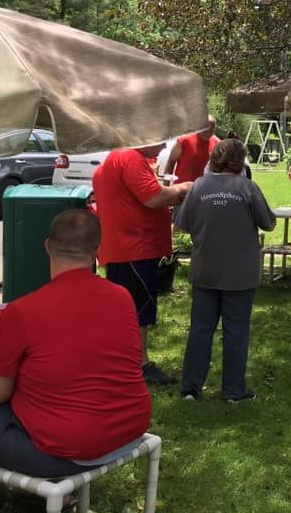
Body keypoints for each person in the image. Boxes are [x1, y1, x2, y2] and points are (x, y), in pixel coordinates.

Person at [0, 210, 150, 513]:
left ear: (47, 246)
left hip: (67, 450)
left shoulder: (22, 312)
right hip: (128, 430)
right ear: (97, 252)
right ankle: (35, 495)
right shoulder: (122, 297)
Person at [175, 139, 276, 402]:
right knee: (236, 330)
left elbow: (182, 223)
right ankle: (233, 390)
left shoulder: (198, 186)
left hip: (205, 268)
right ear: (240, 160)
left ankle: (190, 388)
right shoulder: (247, 187)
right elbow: (269, 223)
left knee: (200, 328)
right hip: (239, 273)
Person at [93, 143, 193, 384]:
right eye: (159, 142)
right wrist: (183, 188)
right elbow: (154, 197)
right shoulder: (130, 159)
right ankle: (140, 365)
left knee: (127, 307)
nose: (162, 148)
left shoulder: (119, 157)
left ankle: (122, 361)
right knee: (138, 310)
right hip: (133, 248)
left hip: (123, 247)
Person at [163, 115, 220, 183]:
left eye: (212, 130)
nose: (209, 133)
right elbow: (171, 162)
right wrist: (166, 184)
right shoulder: (184, 140)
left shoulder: (217, 143)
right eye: (206, 129)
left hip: (204, 190)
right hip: (182, 190)